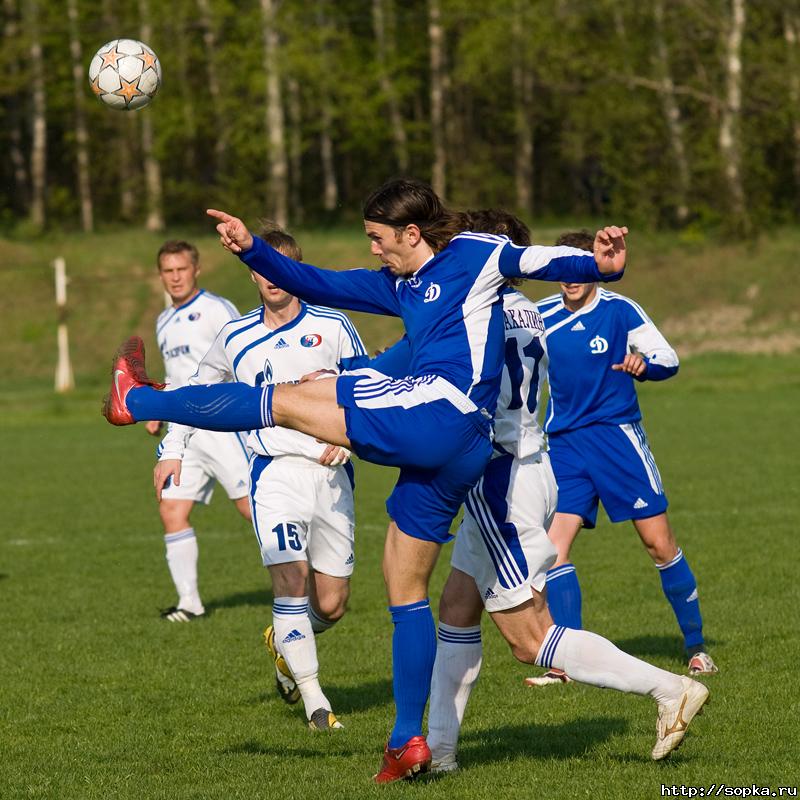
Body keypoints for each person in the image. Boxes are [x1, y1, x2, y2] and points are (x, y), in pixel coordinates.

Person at [102, 179, 704, 782]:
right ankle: (421, 745)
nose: (372, 249)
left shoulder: (480, 268)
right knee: (428, 596)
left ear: (414, 233)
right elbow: (330, 286)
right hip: (472, 455)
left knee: (528, 637)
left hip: (489, 459)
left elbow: (528, 264)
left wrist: (599, 262)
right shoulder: (421, 288)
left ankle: (667, 688)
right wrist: (252, 250)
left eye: (377, 238)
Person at [155, 225, 365, 731]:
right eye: (262, 267)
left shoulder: (334, 325)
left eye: (280, 268)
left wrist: (350, 438)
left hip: (332, 476)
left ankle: (284, 643)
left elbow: (366, 389)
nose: (270, 277)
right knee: (290, 583)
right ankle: (316, 703)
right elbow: (194, 395)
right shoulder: (236, 336)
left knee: (332, 603)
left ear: (292, 271)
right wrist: (173, 447)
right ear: (253, 273)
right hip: (273, 474)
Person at [526, 230, 717, 687]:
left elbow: (667, 358)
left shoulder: (620, 310)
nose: (571, 278)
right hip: (565, 445)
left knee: (659, 544)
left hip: (617, 441)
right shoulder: (540, 316)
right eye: (563, 268)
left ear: (593, 268)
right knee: (553, 550)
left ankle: (696, 647)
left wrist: (642, 366)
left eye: (579, 266)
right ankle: (565, 662)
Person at [149, 240, 251, 622]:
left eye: (181, 269)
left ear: (196, 270)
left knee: (252, 509)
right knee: (171, 509)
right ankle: (188, 602)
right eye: (168, 271)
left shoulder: (215, 309)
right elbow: (177, 377)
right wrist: (159, 409)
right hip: (182, 431)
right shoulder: (163, 320)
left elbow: (243, 354)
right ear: (160, 275)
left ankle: (308, 580)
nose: (175, 277)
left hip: (222, 424)